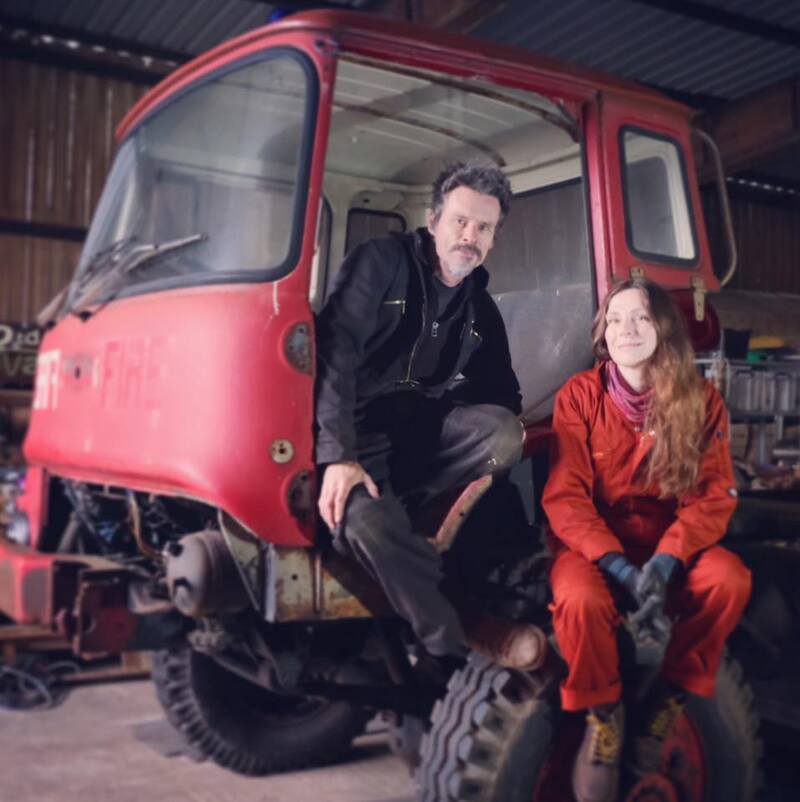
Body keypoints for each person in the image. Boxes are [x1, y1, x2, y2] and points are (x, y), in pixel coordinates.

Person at [315, 161, 547, 670]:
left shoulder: (479, 309)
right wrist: (336, 456)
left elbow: (503, 395)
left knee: (504, 433)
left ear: (493, 239)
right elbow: (335, 356)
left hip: (421, 440)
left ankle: (415, 524)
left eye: (484, 228)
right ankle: (452, 638)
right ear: (433, 220)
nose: (470, 236)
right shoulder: (379, 263)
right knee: (365, 527)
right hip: (356, 435)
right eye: (460, 222)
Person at [542, 278, 751, 802]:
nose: (626, 330)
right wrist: (615, 565)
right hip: (596, 550)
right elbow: (566, 497)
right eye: (614, 319)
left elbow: (713, 496)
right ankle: (604, 716)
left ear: (664, 328)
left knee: (729, 580)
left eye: (639, 318)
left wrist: (665, 562)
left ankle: (669, 700)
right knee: (578, 599)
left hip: (670, 550)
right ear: (602, 334)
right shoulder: (581, 396)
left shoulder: (701, 402)